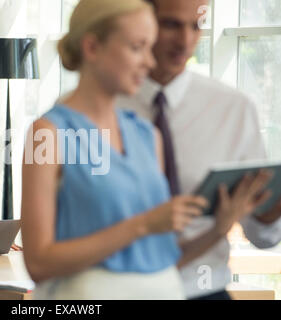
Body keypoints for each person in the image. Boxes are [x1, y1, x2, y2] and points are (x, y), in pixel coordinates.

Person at [20, 0, 270, 300]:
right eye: (138, 47)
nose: (150, 62)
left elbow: (160, 259)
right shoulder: (46, 134)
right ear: (92, 47)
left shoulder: (148, 136)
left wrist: (219, 227)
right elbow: (37, 262)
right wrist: (144, 224)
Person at [117, 0, 281, 300]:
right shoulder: (95, 109)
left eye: (196, 26)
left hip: (204, 291)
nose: (186, 41)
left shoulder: (234, 108)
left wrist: (270, 207)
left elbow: (264, 236)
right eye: (171, 25)